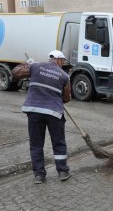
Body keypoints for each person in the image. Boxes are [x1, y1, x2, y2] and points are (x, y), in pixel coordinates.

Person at [12, 50, 72, 184]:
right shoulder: (64, 75)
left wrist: (27, 64)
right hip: (54, 113)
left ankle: (39, 175)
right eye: (63, 62)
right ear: (60, 61)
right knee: (59, 143)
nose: (63, 64)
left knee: (36, 144)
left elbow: (16, 73)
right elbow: (67, 98)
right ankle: (62, 171)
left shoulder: (35, 67)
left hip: (34, 111)